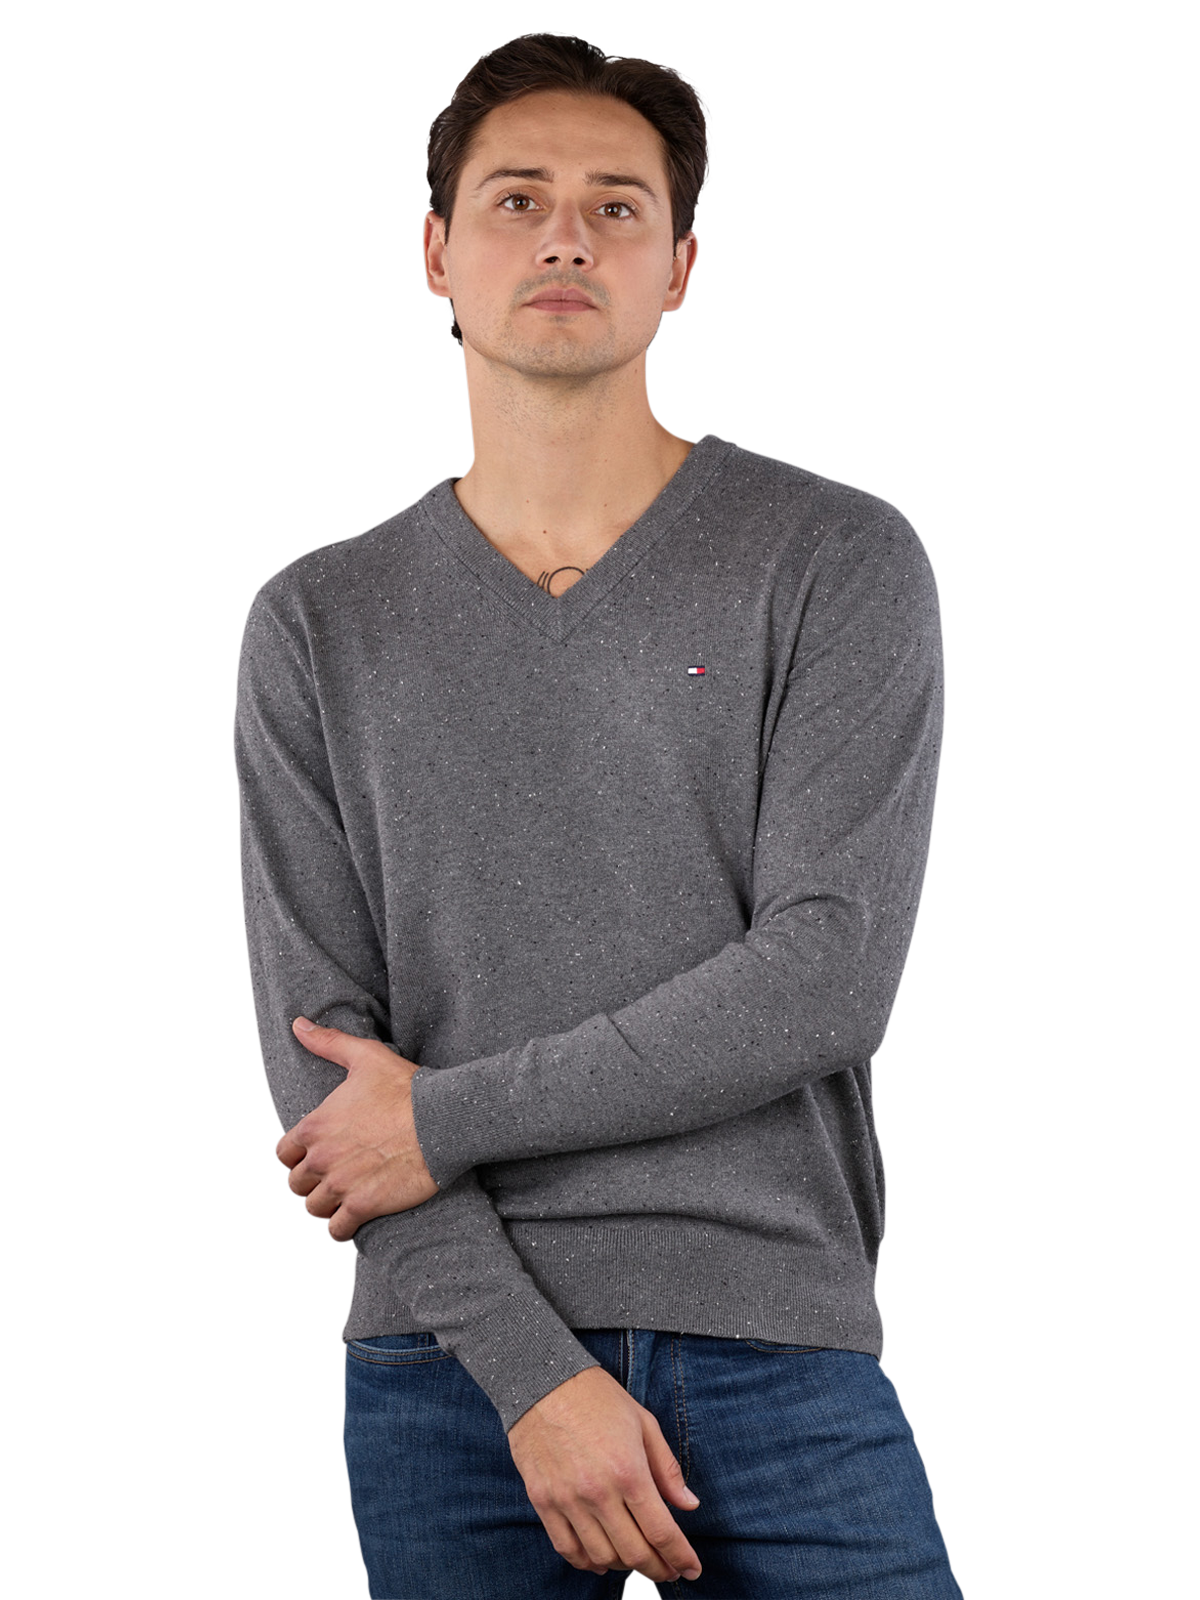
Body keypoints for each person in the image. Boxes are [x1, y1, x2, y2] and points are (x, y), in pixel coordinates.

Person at [235, 31, 959, 1599]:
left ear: (678, 268)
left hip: (778, 1335)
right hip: (452, 1364)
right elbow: (321, 1065)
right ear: (436, 255)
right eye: (518, 199)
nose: (565, 236)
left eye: (616, 207)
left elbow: (824, 976)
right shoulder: (318, 621)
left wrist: (439, 1118)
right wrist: (531, 1377)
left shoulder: (833, 562)